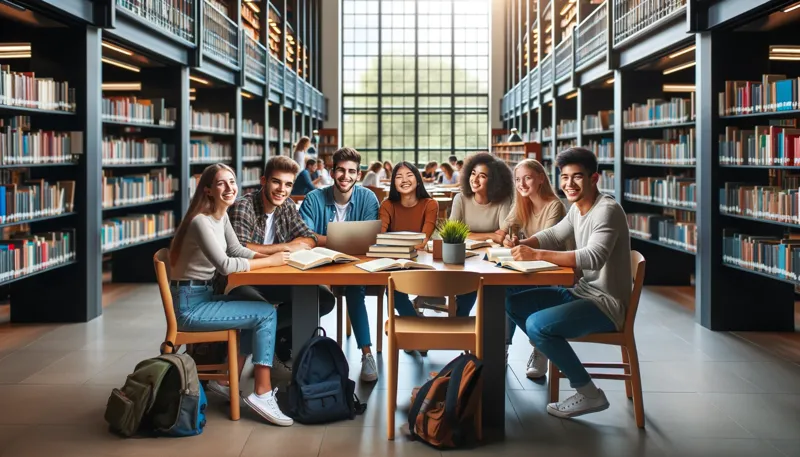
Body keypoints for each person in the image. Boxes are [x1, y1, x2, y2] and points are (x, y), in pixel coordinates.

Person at [505, 147, 631, 419]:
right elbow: (553, 234)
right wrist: (524, 244)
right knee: (510, 299)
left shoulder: (606, 210)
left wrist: (536, 254)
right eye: (564, 177)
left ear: (594, 178)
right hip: (583, 292)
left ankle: (589, 393)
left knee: (537, 325)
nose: (569, 184)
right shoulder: (577, 208)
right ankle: (540, 346)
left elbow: (593, 258)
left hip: (606, 304)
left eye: (577, 177)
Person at [168, 163, 293, 427]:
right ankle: (262, 392)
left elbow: (237, 249)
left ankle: (225, 381)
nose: (229, 188)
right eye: (222, 183)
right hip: (190, 306)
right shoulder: (200, 221)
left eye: (232, 181)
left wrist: (275, 258)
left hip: (202, 295)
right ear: (208, 190)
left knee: (255, 304)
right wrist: (271, 262)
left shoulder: (220, 215)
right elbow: (225, 265)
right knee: (266, 313)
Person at [225, 156, 337, 365]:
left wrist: (297, 245)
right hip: (241, 278)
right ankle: (232, 375)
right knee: (261, 309)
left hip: (273, 277)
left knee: (323, 297)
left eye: (288, 184)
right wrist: (285, 247)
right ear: (263, 181)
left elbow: (309, 237)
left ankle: (273, 339)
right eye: (276, 182)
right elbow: (238, 250)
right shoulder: (244, 206)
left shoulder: (286, 206)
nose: (281, 189)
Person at [299, 147, 381, 382]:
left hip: (354, 265)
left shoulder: (368, 198)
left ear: (358, 174)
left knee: (356, 289)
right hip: (318, 266)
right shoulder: (314, 198)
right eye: (341, 171)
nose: (346, 176)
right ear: (333, 171)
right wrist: (345, 240)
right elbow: (306, 236)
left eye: (351, 171)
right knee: (305, 289)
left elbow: (368, 239)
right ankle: (305, 356)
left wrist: (325, 239)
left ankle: (366, 354)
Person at [499, 159, 572, 378]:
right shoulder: (523, 204)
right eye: (518, 179)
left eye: (527, 178)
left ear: (541, 178)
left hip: (551, 271)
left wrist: (519, 243)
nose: (522, 184)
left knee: (507, 291)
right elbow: (502, 231)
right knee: (501, 289)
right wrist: (507, 241)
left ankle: (541, 347)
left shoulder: (554, 205)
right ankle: (502, 347)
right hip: (529, 268)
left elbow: (546, 240)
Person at [449, 152, 514, 317]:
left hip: (491, 261)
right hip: (464, 259)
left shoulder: (503, 201)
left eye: (482, 176)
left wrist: (469, 234)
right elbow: (452, 234)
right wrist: (491, 235)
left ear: (493, 181)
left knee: (495, 295)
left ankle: (497, 338)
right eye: (473, 173)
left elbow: (503, 234)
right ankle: (459, 324)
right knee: (468, 284)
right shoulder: (460, 199)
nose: (475, 179)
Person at [379, 162, 439, 323]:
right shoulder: (387, 205)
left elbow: (422, 240)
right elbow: (380, 237)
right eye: (398, 177)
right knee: (394, 291)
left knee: (439, 288)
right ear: (393, 183)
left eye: (409, 175)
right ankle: (418, 329)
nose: (404, 180)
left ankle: (417, 328)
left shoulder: (430, 204)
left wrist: (392, 241)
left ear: (418, 180)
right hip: (395, 262)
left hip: (423, 262)